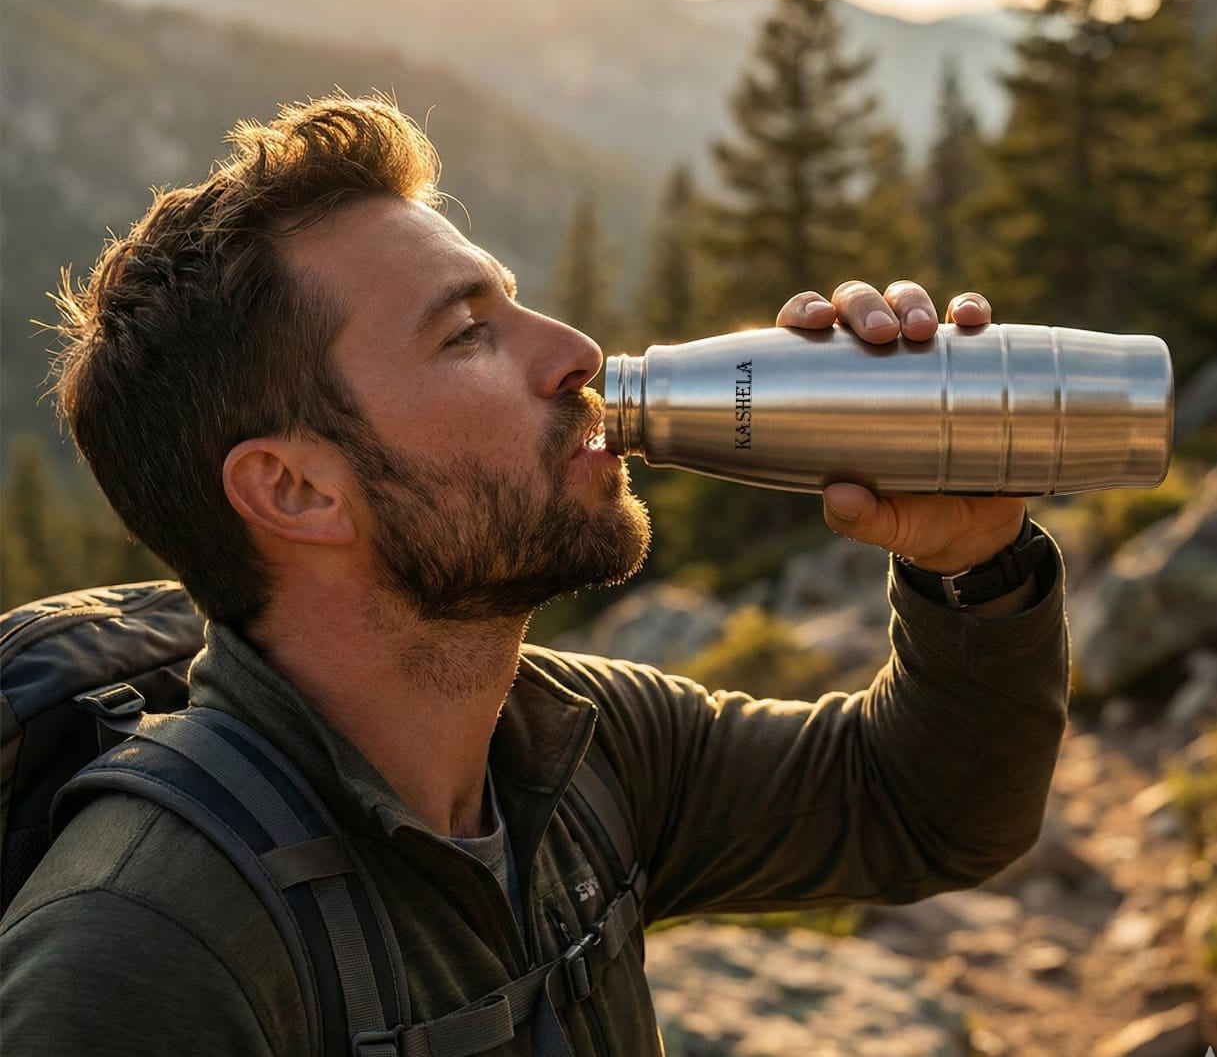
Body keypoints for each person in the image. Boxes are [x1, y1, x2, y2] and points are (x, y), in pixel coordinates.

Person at [0, 96, 1069, 1055]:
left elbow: (920, 810)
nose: (574, 350)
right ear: (295, 491)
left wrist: (968, 558)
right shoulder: (139, 955)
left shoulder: (574, 743)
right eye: (467, 334)